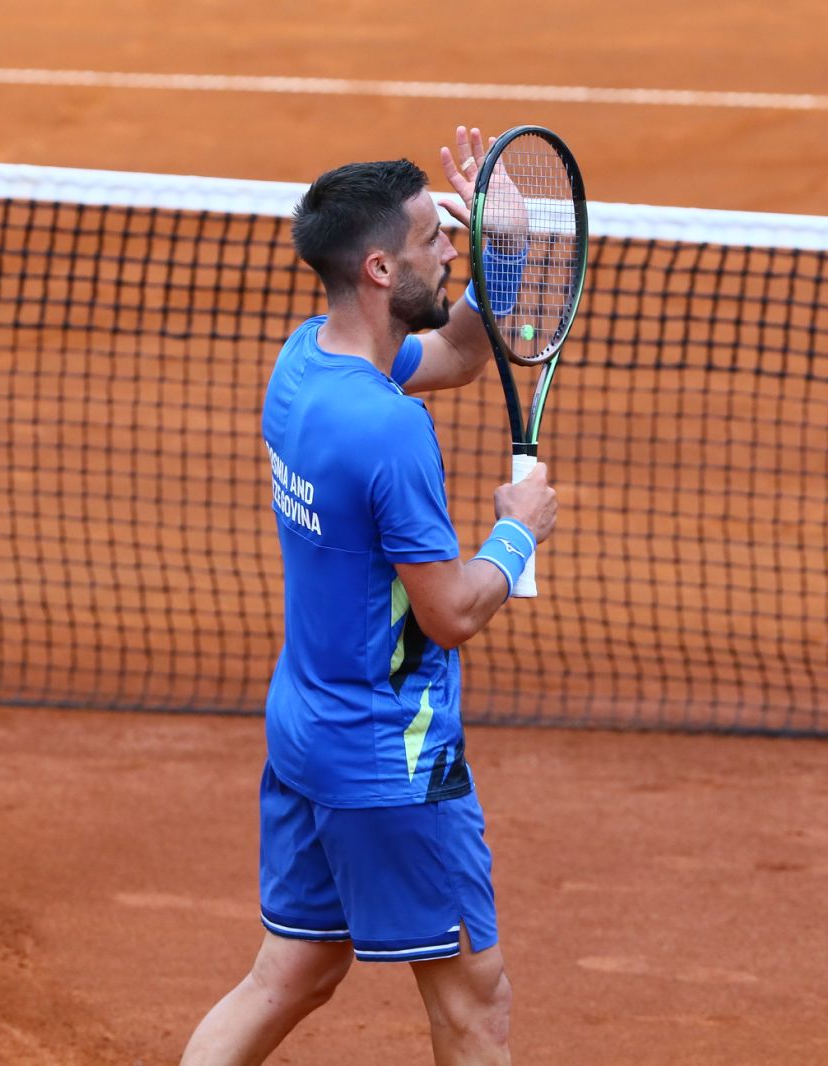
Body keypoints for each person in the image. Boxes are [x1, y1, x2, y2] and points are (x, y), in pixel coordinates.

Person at [181, 125, 557, 1066]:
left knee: (292, 973)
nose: (453, 247)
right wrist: (516, 532)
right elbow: (451, 612)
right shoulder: (390, 433)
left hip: (309, 728)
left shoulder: (306, 361)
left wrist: (506, 246)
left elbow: (466, 355)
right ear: (384, 268)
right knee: (477, 999)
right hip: (393, 756)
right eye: (439, 239)